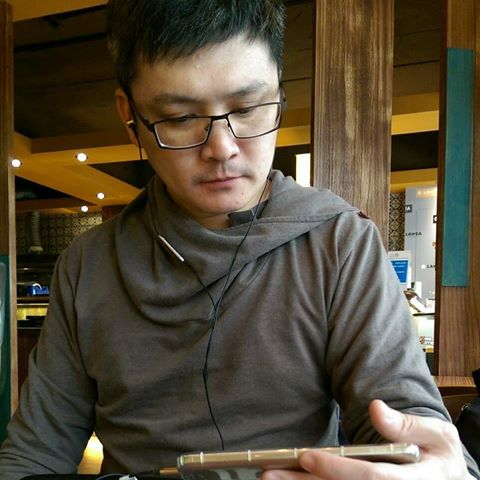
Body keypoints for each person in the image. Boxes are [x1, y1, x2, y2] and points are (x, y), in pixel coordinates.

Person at [0, 1, 478, 479]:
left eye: (247, 109)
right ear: (131, 116)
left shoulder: (338, 242)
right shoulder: (89, 264)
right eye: (180, 117)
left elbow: (405, 424)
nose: (222, 148)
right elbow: (33, 453)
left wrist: (435, 466)